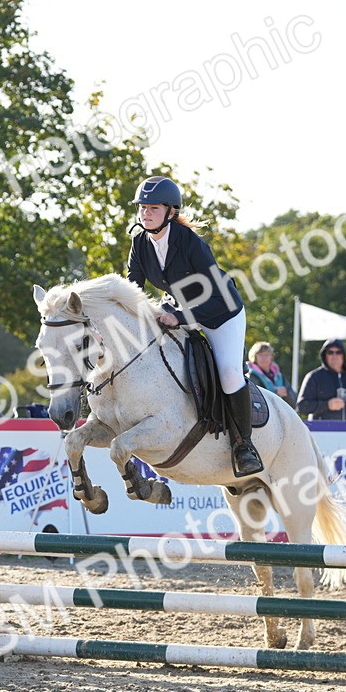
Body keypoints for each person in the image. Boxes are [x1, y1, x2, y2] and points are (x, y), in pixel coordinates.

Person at [125, 175, 263, 477]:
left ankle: (244, 445)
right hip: (179, 308)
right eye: (142, 208)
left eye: (154, 208)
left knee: (228, 374)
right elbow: (132, 290)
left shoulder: (191, 244)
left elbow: (219, 296)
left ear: (171, 212)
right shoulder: (139, 242)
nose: (146, 214)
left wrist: (182, 318)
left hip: (220, 313)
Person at [297, 338, 346, 420]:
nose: (334, 356)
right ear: (325, 355)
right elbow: (302, 406)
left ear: (343, 355)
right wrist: (327, 405)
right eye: (330, 352)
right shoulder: (314, 377)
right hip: (322, 431)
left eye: (338, 352)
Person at [245, 342, 296, 408]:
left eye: (267, 355)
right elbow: (255, 400)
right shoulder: (250, 375)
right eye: (260, 355)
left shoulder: (279, 376)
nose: (264, 358)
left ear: (271, 357)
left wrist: (286, 395)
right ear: (254, 357)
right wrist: (276, 393)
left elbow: (294, 404)